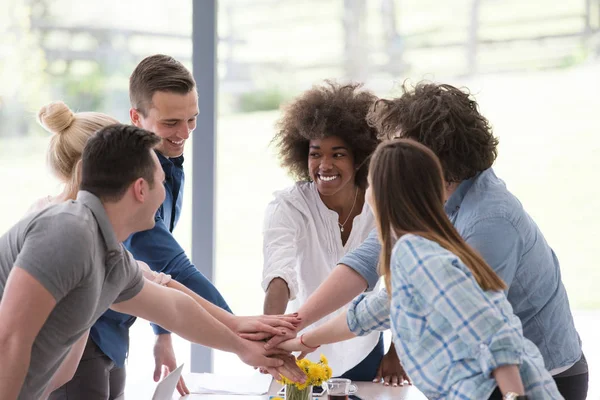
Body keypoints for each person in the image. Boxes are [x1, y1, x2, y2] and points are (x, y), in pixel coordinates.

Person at [268, 82, 587, 399]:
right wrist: (297, 329)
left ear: (428, 159)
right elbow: (369, 278)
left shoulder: (489, 220)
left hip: (538, 380)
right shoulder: (422, 207)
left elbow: (488, 328)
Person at [0, 124, 297, 400]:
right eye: (162, 183)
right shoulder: (70, 231)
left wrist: (242, 347)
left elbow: (175, 309)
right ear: (141, 189)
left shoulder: (109, 256)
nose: (164, 195)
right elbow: (10, 339)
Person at [51, 54, 231, 398]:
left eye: (192, 120)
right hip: (86, 340)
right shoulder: (132, 189)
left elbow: (153, 271)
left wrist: (162, 334)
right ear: (137, 118)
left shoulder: (167, 162)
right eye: (171, 123)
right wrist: (249, 338)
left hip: (112, 337)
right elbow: (172, 269)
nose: (184, 133)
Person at [260, 81, 406, 384]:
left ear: (361, 156)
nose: (324, 164)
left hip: (364, 349)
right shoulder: (289, 205)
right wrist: (269, 340)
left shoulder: (380, 203)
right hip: (300, 353)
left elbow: (403, 282)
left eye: (338, 154)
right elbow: (279, 273)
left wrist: (396, 350)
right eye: (315, 154)